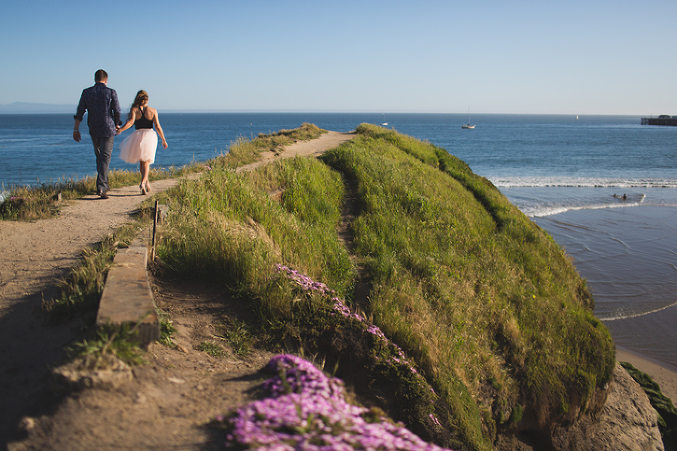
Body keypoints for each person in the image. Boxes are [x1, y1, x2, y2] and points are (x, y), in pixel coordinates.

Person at [73, 69, 122, 199]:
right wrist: (117, 124)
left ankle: (102, 184)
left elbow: (80, 111)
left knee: (99, 157)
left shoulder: (87, 92)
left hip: (93, 127)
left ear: (95, 79)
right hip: (108, 127)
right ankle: (102, 186)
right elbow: (116, 110)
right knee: (105, 157)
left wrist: (76, 129)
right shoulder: (111, 92)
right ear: (106, 80)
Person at [117, 90, 168, 194]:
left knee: (143, 161)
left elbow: (130, 122)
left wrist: (121, 129)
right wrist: (163, 139)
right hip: (149, 135)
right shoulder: (153, 111)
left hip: (138, 136)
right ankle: (143, 182)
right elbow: (157, 126)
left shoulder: (135, 109)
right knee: (146, 161)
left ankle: (147, 183)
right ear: (147, 99)